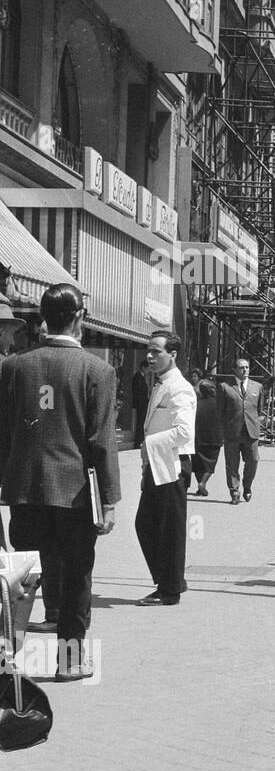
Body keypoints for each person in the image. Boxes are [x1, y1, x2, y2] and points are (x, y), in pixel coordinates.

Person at [0, 284, 120, 680]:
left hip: (25, 491)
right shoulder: (98, 371)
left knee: (23, 577)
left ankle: (6, 661)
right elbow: (101, 441)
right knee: (74, 578)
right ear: (80, 318)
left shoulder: (13, 367)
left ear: (42, 317)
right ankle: (69, 663)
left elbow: (2, 433)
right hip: (75, 496)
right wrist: (109, 500)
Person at [135, 333, 196, 607]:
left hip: (172, 463)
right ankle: (171, 580)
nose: (150, 356)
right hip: (158, 462)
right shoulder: (161, 383)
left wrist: (150, 444)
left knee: (168, 529)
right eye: (148, 351)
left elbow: (184, 432)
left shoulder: (179, 388)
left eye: (156, 351)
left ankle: (169, 590)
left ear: (172, 354)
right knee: (146, 524)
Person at [220, 357, 263, 504]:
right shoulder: (225, 387)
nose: (245, 370)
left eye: (247, 367)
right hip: (232, 432)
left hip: (251, 432)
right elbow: (220, 411)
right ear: (234, 370)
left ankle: (247, 486)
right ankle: (234, 491)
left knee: (253, 460)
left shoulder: (257, 387)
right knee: (232, 463)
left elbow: (260, 409)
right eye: (241, 367)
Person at [191, 379, 224, 496]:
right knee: (210, 464)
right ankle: (203, 483)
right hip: (214, 437)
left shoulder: (196, 403)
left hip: (198, 438)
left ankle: (200, 484)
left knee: (198, 464)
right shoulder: (219, 404)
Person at [131, 363, 151, 448]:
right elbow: (139, 392)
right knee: (140, 423)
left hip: (143, 404)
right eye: (147, 369)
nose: (148, 371)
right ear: (143, 367)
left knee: (142, 422)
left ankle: (140, 440)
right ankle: (138, 442)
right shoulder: (138, 377)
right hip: (141, 404)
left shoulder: (141, 377)